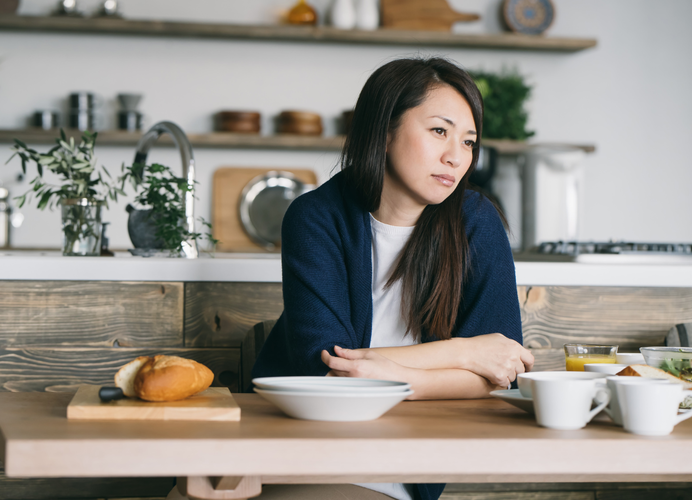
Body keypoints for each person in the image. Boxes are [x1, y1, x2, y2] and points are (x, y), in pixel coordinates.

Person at [168, 57, 533, 500]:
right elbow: (327, 373)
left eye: (469, 142)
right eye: (439, 131)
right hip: (295, 445)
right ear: (384, 132)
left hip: (398, 461)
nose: (456, 156)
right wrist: (465, 351)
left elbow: (503, 373)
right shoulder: (315, 217)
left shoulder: (477, 222)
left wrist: (395, 373)